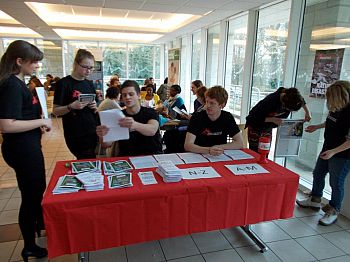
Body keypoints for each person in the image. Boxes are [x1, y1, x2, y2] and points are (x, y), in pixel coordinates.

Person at [0, 40, 52, 261]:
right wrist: (40, 122)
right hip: (22, 149)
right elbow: (7, 124)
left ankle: (38, 226)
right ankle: (29, 245)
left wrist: (36, 119)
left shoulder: (18, 82)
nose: (37, 66)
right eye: (34, 62)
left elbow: (20, 116)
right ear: (19, 61)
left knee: (35, 190)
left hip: (26, 147)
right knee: (30, 197)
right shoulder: (11, 84)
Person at [297, 80, 350, 226]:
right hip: (328, 148)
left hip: (342, 155)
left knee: (336, 183)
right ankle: (315, 200)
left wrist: (333, 152)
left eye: (330, 98)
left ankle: (333, 210)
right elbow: (332, 122)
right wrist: (317, 127)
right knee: (318, 173)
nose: (328, 101)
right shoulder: (337, 107)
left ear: (340, 96)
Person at [53, 49, 99, 159]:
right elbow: (55, 111)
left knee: (92, 159)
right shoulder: (64, 84)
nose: (88, 71)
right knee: (85, 158)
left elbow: (95, 105)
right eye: (85, 67)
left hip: (92, 129)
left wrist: (94, 105)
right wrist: (71, 106)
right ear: (75, 64)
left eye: (91, 68)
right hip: (75, 132)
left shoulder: (89, 83)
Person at [96, 80, 162, 156]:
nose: (127, 97)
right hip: (126, 157)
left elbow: (152, 130)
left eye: (131, 94)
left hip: (151, 156)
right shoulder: (119, 115)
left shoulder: (151, 112)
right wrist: (102, 135)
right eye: (124, 95)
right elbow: (106, 144)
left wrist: (134, 125)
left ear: (138, 95)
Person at [245, 87, 311, 152]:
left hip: (267, 129)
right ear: (284, 104)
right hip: (256, 128)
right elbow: (252, 117)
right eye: (289, 109)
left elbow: (301, 100)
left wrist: (307, 112)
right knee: (255, 153)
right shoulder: (270, 101)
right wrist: (273, 119)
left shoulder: (290, 94)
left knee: (265, 152)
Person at [184, 86, 243, 154]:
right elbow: (187, 146)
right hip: (199, 154)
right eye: (206, 102)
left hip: (219, 155)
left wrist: (217, 147)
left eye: (212, 103)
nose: (207, 106)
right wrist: (209, 150)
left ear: (222, 105)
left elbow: (240, 143)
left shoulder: (227, 117)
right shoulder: (197, 117)